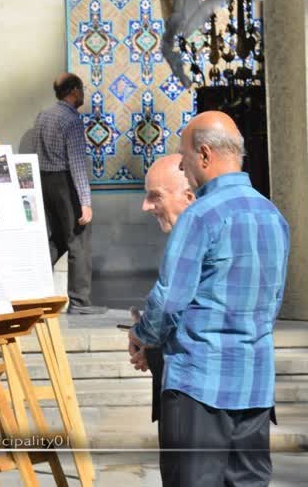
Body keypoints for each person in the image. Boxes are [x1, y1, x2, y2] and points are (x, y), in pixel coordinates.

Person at [128, 111, 290, 487]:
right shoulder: (273, 215)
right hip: (255, 385)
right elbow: (273, 302)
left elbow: (169, 302)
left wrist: (142, 334)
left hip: (200, 385)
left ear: (204, 155)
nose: (184, 167)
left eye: (184, 159)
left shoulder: (200, 216)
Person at [30, 73, 106, 314]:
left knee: (60, 239)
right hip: (64, 182)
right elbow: (77, 163)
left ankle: (31, 287)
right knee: (79, 240)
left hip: (45, 180)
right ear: (73, 90)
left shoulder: (44, 116)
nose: (83, 94)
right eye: (81, 89)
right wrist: (85, 202)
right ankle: (80, 302)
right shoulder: (71, 120)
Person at [130, 154, 195, 426]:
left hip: (192, 392)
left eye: (155, 196)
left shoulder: (193, 234)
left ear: (189, 197)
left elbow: (168, 305)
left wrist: (142, 334)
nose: (146, 206)